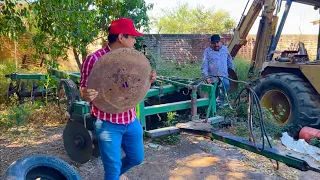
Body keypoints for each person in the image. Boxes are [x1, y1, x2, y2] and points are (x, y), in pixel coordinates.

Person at [79, 17, 156, 180]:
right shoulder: (94, 59)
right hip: (108, 123)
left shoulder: (132, 59)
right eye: (133, 37)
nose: (135, 41)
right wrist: (85, 94)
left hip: (130, 118)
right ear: (121, 37)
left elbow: (131, 86)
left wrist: (148, 79)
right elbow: (83, 89)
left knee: (137, 158)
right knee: (112, 170)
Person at [201, 34, 235, 108]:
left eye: (217, 42)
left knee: (225, 86)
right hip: (212, 76)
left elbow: (230, 61)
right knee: (214, 91)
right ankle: (212, 106)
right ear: (211, 43)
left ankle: (220, 104)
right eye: (214, 43)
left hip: (223, 75)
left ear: (220, 42)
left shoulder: (225, 49)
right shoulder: (207, 51)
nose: (216, 45)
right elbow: (204, 65)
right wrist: (206, 77)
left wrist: (233, 72)